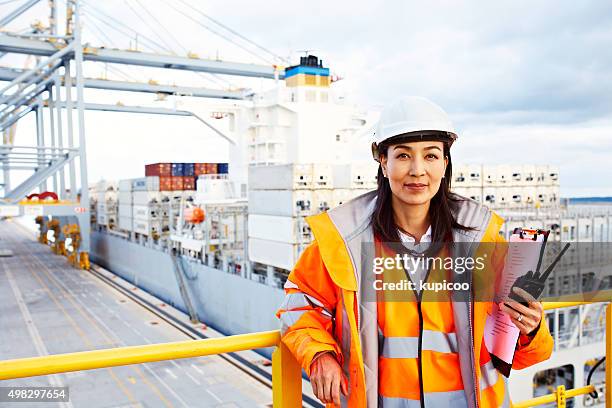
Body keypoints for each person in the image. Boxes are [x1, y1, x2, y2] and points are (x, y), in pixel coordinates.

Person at [276, 96, 554, 407]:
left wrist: (531, 329)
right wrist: (320, 354)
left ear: (445, 163)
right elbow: (298, 306)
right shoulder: (344, 241)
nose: (418, 170)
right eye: (404, 155)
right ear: (383, 162)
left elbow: (521, 352)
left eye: (431, 156)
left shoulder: (483, 243)